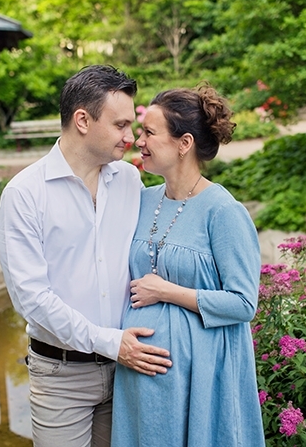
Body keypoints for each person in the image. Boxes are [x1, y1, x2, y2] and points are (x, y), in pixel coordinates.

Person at [0, 65, 172, 447]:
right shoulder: (24, 194)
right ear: (82, 120)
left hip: (128, 370)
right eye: (120, 125)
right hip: (61, 378)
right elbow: (33, 300)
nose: (131, 137)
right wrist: (111, 343)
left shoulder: (128, 179)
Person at [111, 85, 266, 447]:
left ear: (184, 143)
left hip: (200, 384)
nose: (139, 141)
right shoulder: (141, 199)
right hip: (141, 387)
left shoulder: (223, 212)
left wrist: (166, 291)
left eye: (149, 132)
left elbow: (244, 303)